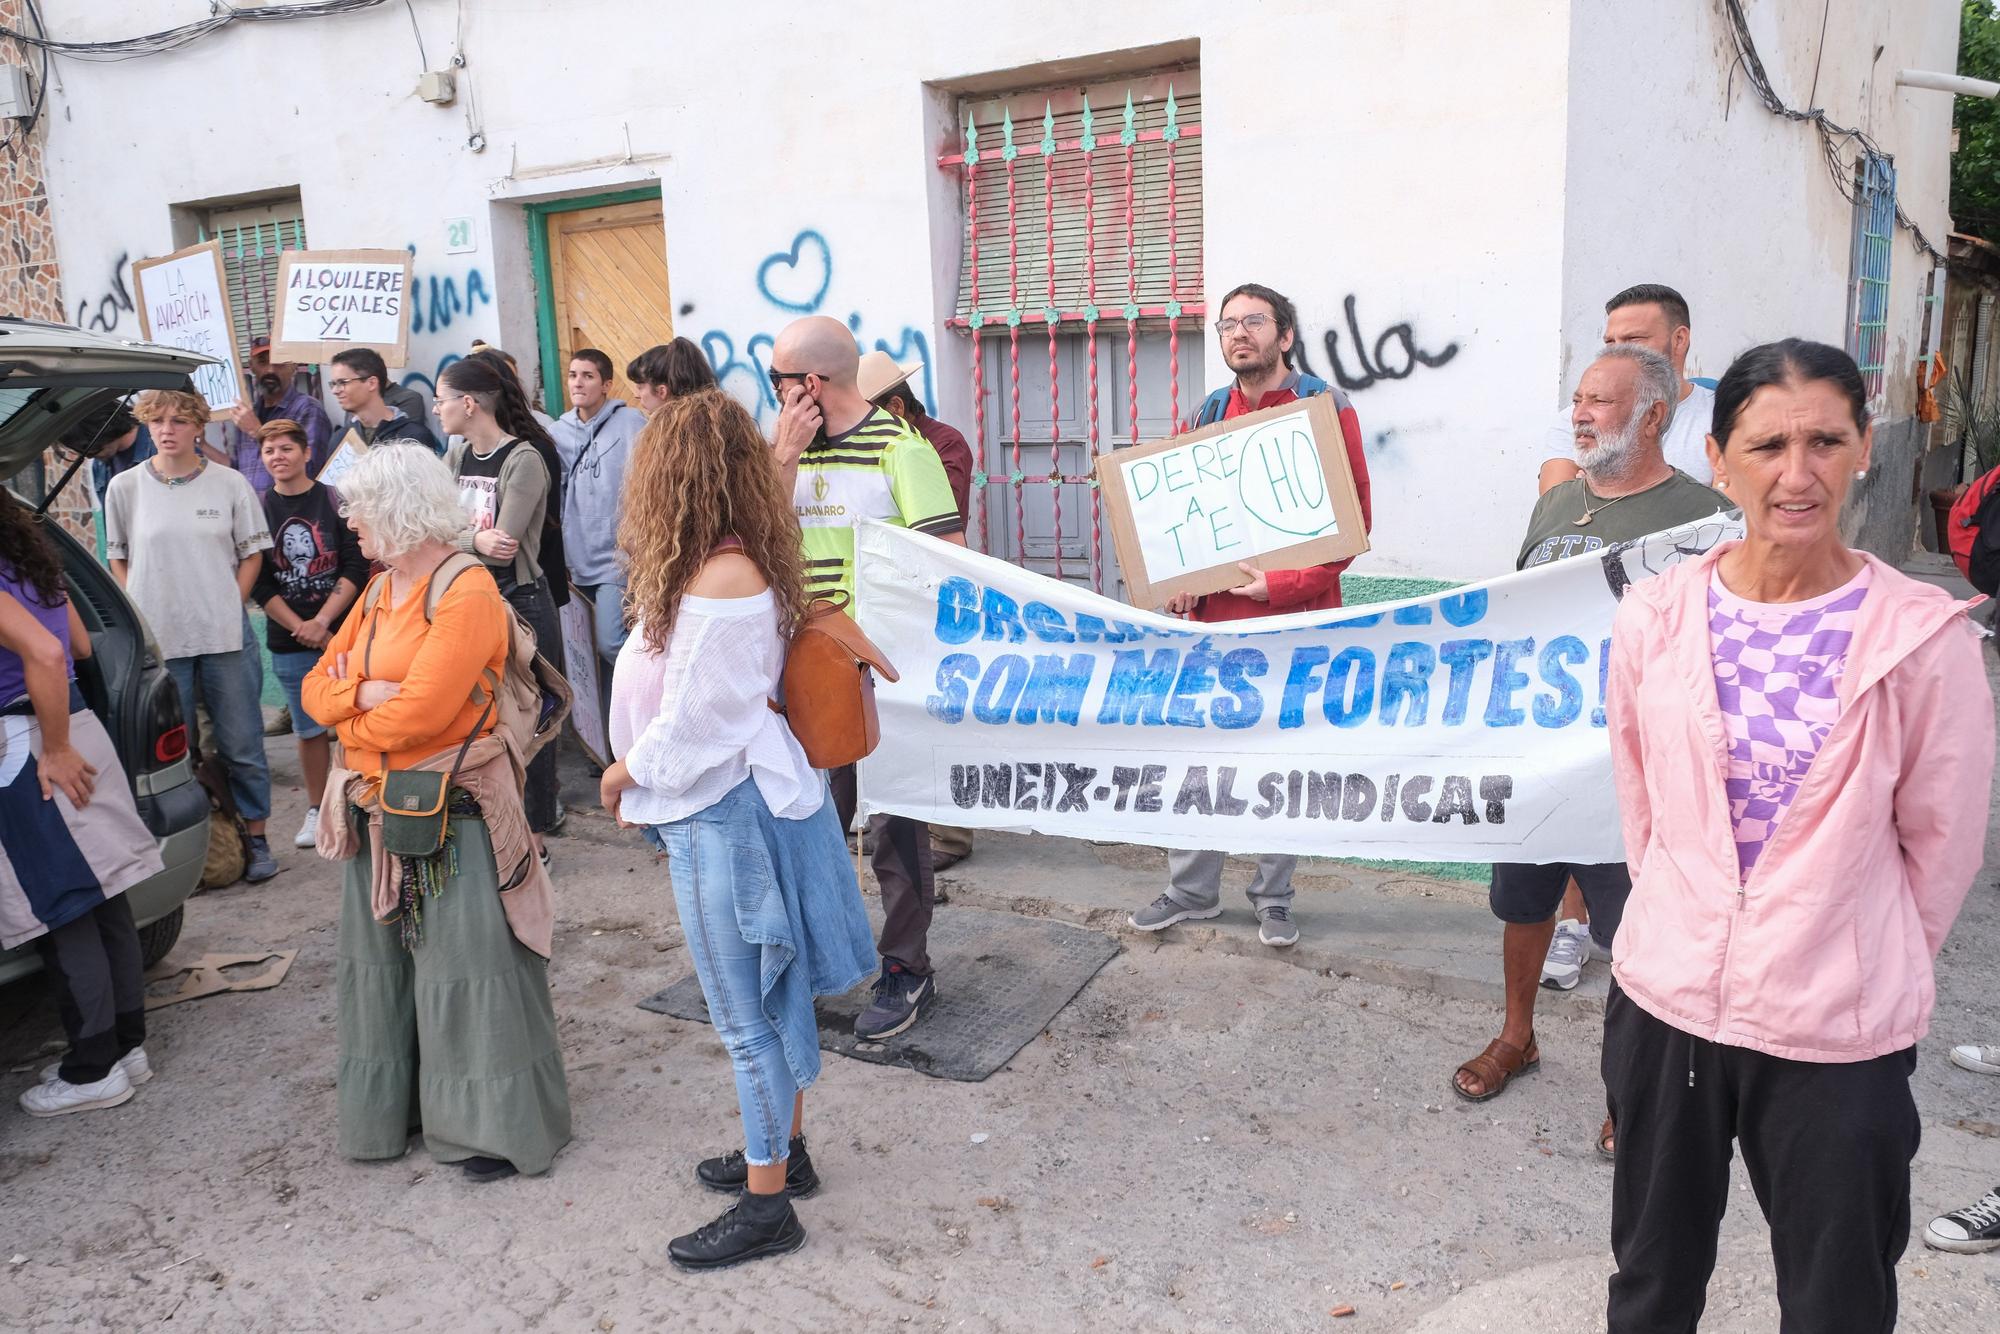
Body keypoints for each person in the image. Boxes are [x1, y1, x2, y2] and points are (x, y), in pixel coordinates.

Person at [1602, 338, 1993, 1327]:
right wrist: (1686, 924)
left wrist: (1854, 950)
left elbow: (1939, 847)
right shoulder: (1653, 616)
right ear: (1717, 456)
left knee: (1835, 1299)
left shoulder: (1918, 636)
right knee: (1648, 1282)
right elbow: (1639, 797)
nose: (1796, 471)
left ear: (1862, 445)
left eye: (1824, 439)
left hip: (1836, 1024)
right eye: (1766, 442)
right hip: (1668, 1004)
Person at [602, 389, 875, 1270]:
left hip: (721, 812)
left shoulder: (722, 576)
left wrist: (619, 772)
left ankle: (768, 1211)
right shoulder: (735, 555)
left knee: (745, 1017)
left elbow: (695, 724)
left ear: (672, 477)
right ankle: (782, 1156)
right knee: (771, 996)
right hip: (739, 801)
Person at [1451, 345, 1729, 1156]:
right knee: (1523, 904)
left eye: (1599, 402)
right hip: (1540, 764)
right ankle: (1517, 1037)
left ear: (1653, 414)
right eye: (1576, 398)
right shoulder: (1555, 504)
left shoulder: (1701, 515)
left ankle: (1628, 1088)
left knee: (1631, 937)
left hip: (1630, 773)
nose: (1579, 414)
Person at [302, 444, 571, 1182]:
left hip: (455, 813)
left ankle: (488, 1130)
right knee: (388, 970)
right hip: (381, 808)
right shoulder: (382, 589)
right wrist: (358, 699)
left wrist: (348, 722)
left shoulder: (467, 592)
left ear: (398, 510)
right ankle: (409, 1111)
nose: (348, 522)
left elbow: (422, 713)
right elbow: (315, 689)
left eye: (358, 508)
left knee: (466, 970)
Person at [1126, 282, 1373, 950]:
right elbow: (1184, 519)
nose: (1239, 333)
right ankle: (1190, 891)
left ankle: (1273, 897)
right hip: (1211, 629)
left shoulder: (1323, 407)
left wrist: (1282, 586)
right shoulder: (1210, 411)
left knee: (1280, 762)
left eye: (1254, 322)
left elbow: (1351, 529)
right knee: (1199, 759)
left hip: (1292, 623)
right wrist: (1179, 585)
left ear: (1285, 335)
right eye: (1228, 324)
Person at [770, 315, 964, 1040]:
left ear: (811, 384)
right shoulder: (787, 450)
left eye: (781, 384)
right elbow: (756, 533)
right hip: (798, 662)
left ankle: (906, 968)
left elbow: (948, 558)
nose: (778, 398)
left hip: (876, 668)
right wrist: (782, 457)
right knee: (808, 818)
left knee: (892, 825)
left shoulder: (899, 450)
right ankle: (824, 962)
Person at [0, 490, 164, 1117]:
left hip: (35, 745)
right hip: (72, 728)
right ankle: (125, 1048)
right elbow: (80, 647)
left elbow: (43, 653)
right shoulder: (30, 558)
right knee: (102, 896)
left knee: (63, 906)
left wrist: (56, 747)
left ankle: (91, 1068)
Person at [105, 388, 279, 883]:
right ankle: (195, 850)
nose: (168, 428)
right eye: (157, 419)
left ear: (198, 426)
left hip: (225, 635)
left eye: (180, 420)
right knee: (173, 754)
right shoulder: (125, 487)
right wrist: (137, 608)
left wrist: (231, 600)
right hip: (162, 642)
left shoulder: (230, 484)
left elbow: (252, 553)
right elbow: (119, 557)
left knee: (242, 744)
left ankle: (258, 838)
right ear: (145, 424)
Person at [436, 357, 566, 851]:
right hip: (473, 599)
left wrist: (460, 538)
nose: (437, 407)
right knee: (486, 718)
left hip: (523, 602)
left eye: (443, 399)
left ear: (468, 404)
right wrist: (472, 540)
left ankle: (535, 833)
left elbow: (505, 544)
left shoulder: (524, 458)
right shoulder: (455, 456)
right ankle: (499, 822)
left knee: (535, 716)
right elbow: (439, 529)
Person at [857, 349, 979, 871]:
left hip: (930, 596)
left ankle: (949, 835)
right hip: (881, 595)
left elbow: (934, 526)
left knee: (938, 715)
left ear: (897, 407)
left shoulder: (942, 444)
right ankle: (890, 817)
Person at [250, 419, 368, 850]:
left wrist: (324, 621)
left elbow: (355, 564)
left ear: (305, 453)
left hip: (344, 633)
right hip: (290, 639)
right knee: (308, 730)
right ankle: (319, 808)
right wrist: (300, 626)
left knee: (358, 721)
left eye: (285, 448)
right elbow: (260, 582)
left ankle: (361, 800)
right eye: (269, 451)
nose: (277, 457)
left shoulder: (333, 500)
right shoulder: (258, 510)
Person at [1539, 284, 1715, 492]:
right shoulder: (1578, 418)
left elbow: (1732, 514)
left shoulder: (1723, 416)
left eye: (1633, 340)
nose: (1618, 353)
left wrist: (1599, 488)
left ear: (1679, 340)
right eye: (1610, 342)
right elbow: (1557, 511)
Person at [552, 349, 643, 686]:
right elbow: (556, 497)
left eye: (587, 376)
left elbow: (646, 483)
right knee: (588, 657)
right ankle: (608, 733)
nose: (578, 382)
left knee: (610, 643)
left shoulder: (632, 423)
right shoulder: (559, 433)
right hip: (577, 559)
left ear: (606, 384)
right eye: (573, 375)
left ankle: (657, 695)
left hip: (616, 558)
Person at [225, 337, 335, 493]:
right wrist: (203, 445)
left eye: (278, 363)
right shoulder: (249, 414)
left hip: (290, 513)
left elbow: (310, 470)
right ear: (252, 367)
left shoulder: (308, 409)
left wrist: (256, 432)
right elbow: (235, 470)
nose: (270, 370)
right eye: (263, 362)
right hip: (252, 513)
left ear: (293, 366)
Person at [329, 349, 441, 453]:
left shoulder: (412, 438)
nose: (335, 391)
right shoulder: (341, 439)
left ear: (371, 383)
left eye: (343, 382)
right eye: (333, 384)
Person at [626, 338, 718, 415]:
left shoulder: (670, 435)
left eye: (640, 387)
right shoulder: (720, 420)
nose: (636, 395)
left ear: (661, 391)